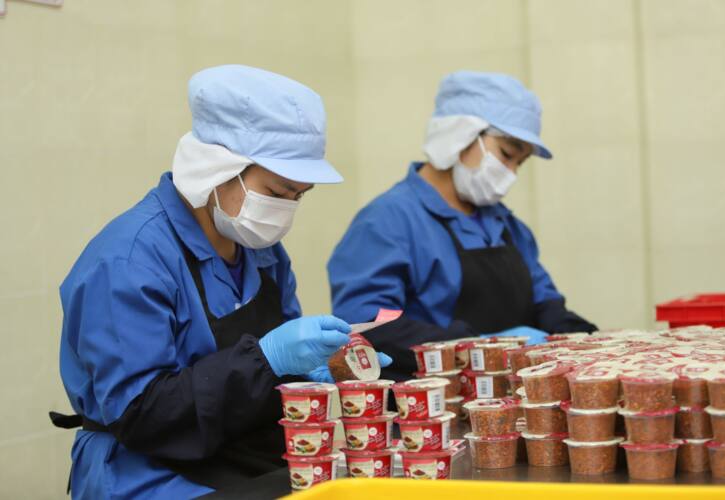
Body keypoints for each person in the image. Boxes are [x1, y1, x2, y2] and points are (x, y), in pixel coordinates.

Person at [52, 65, 390, 499]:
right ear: (218, 167)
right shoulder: (129, 260)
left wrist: (313, 372)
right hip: (150, 467)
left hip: (239, 450)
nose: (286, 210)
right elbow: (142, 414)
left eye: (299, 196)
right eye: (278, 192)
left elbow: (274, 372)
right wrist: (266, 359)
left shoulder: (260, 251)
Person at [327, 71, 596, 381]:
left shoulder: (506, 226)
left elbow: (545, 304)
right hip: (431, 401)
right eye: (507, 154)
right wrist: (474, 346)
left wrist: (587, 340)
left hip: (510, 398)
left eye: (519, 163)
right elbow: (370, 323)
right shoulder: (387, 221)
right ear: (459, 135)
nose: (510, 173)